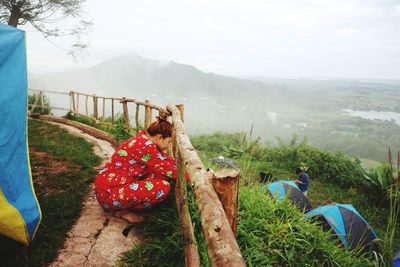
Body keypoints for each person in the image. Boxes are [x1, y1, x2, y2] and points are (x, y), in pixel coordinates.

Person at [94, 113, 187, 223]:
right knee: (163, 187)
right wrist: (194, 177)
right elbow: (170, 171)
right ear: (159, 137)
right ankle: (121, 210)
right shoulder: (146, 147)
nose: (168, 146)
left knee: (158, 174)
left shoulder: (143, 139)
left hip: (106, 188)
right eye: (169, 142)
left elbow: (164, 159)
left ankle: (122, 205)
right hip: (109, 195)